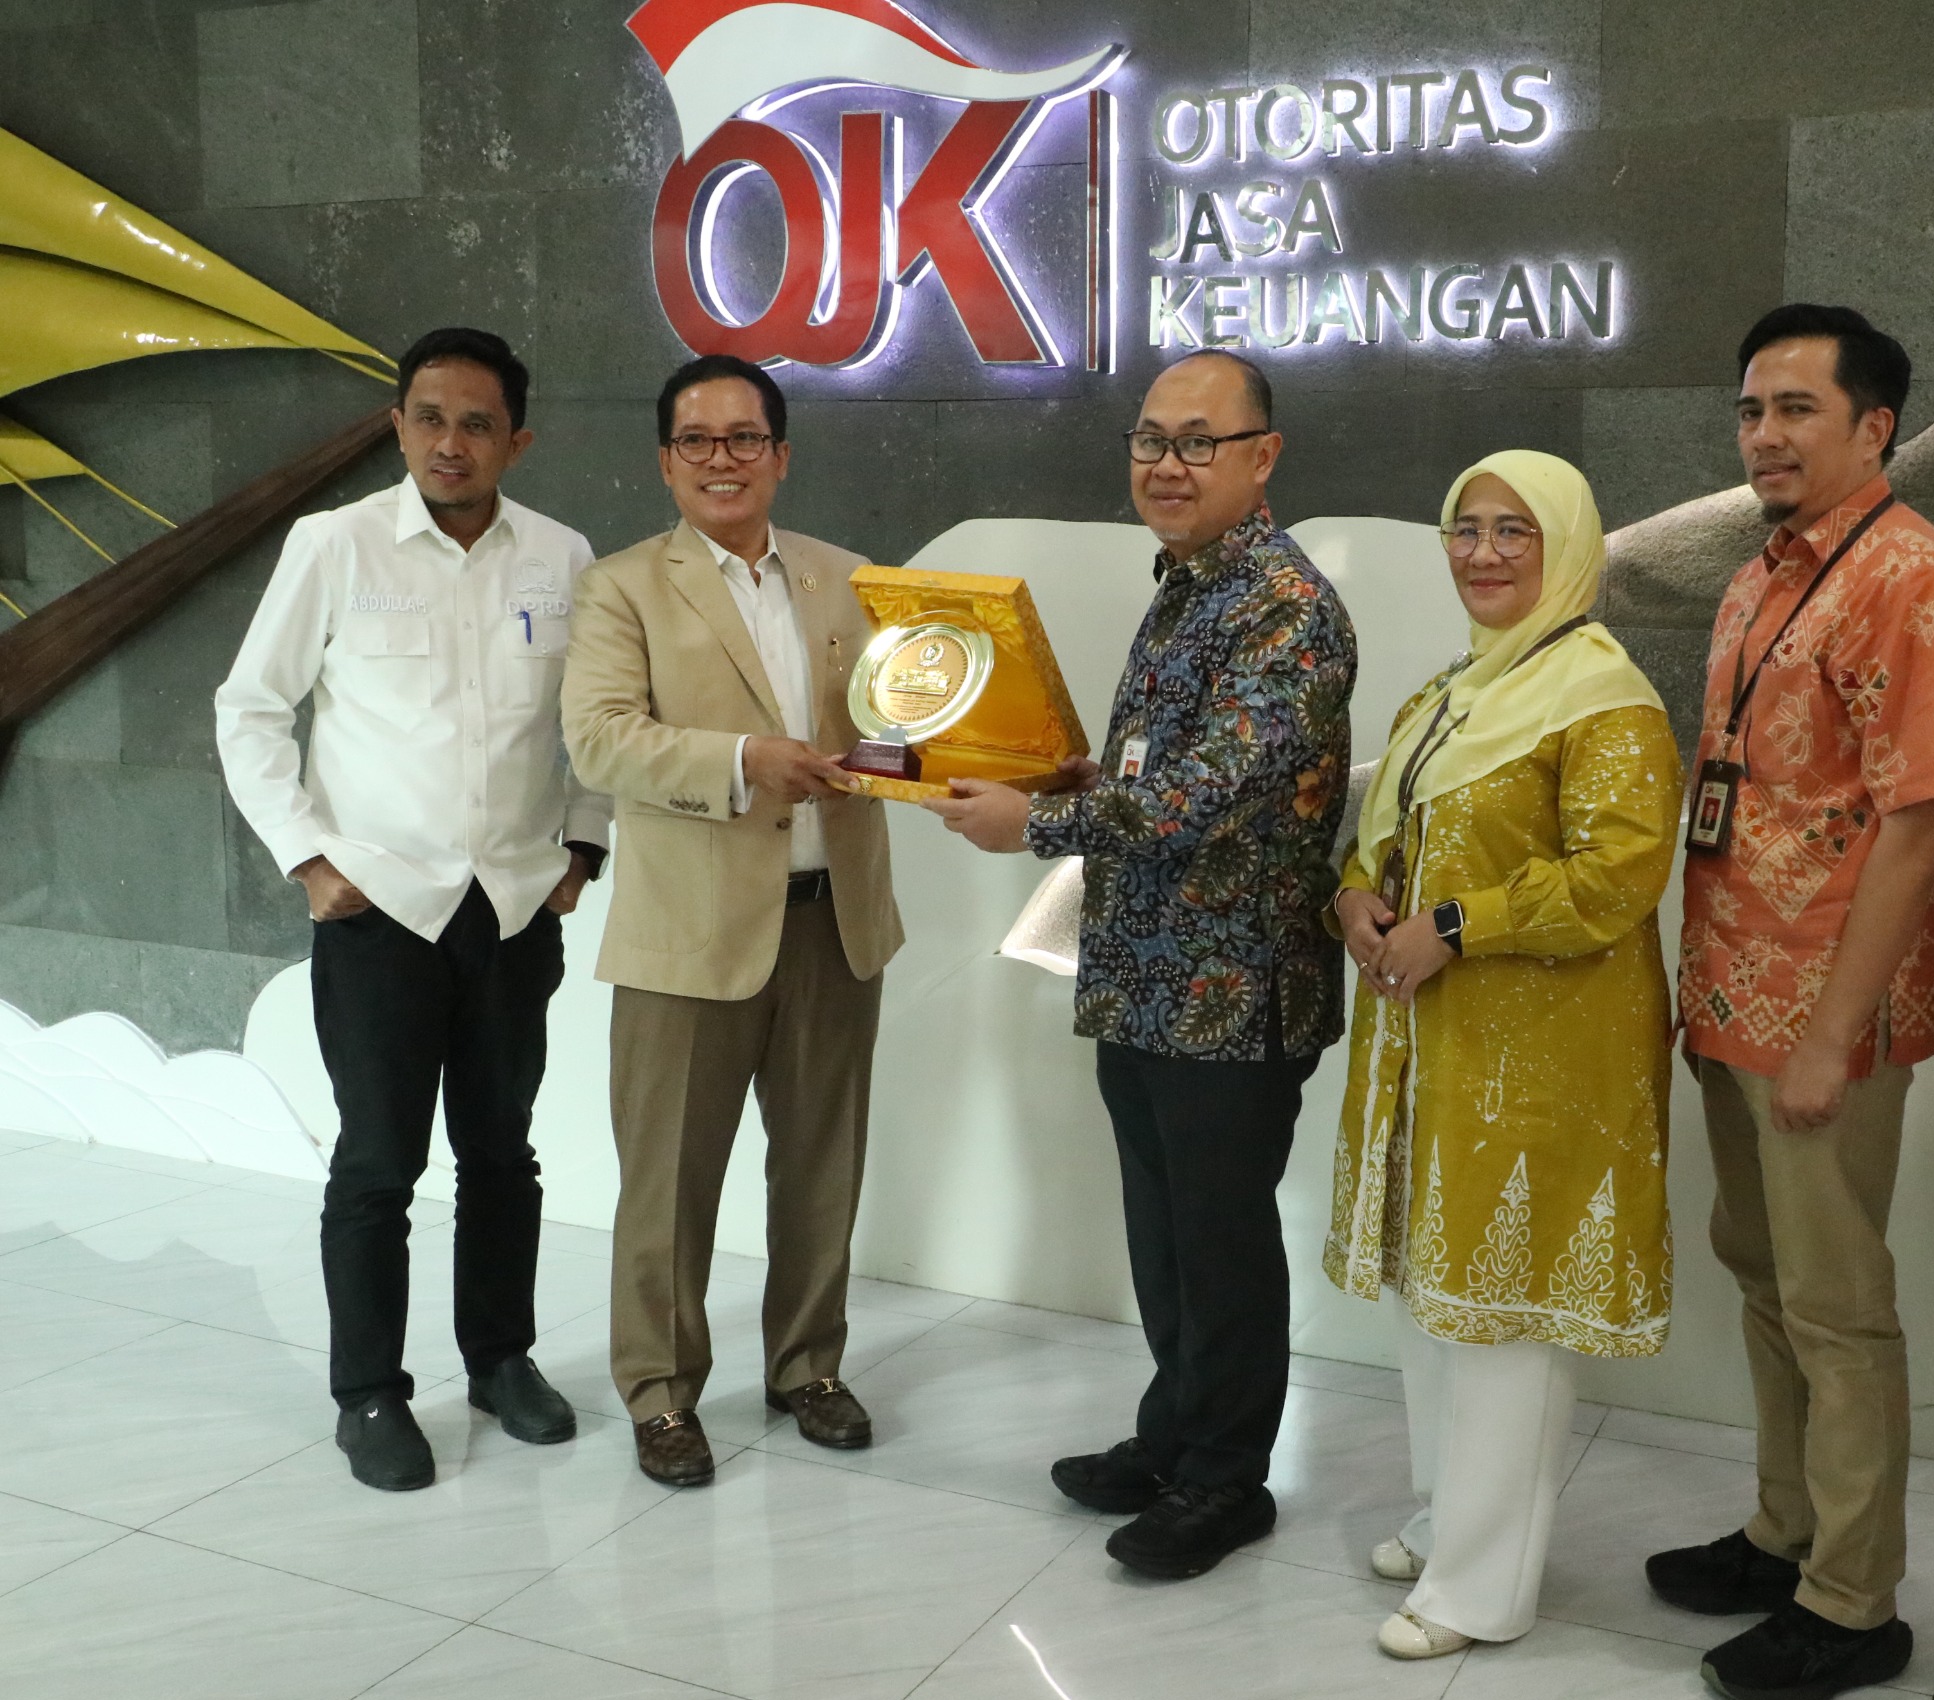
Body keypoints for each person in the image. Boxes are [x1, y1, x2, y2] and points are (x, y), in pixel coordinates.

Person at [923, 350, 1354, 1580]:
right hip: (1143, 971)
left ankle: (1225, 1477)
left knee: (1219, 1242)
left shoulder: (1283, 604)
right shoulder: (1185, 582)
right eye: (1151, 439)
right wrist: (1075, 775)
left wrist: (1038, 822)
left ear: (1262, 456)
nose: (1168, 464)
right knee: (1164, 1233)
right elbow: (1165, 771)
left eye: (1197, 441)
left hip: (1233, 985)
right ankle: (1173, 1433)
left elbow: (1203, 797)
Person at [1649, 304, 1934, 1700]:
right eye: (1751, 410)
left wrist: (1830, 1034)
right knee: (1763, 1273)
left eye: (1797, 408)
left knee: (1838, 1306)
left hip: (1821, 1021)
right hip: (1732, 994)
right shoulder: (1757, 577)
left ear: (1875, 426)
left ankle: (1852, 1601)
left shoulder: (1913, 576)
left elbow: (1920, 821)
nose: (1765, 434)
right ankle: (1784, 1528)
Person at [215, 327, 601, 1491]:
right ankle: (370, 1393)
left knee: (502, 1154)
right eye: (428, 417)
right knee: (378, 1162)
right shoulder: (333, 545)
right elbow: (250, 707)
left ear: (517, 441)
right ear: (397, 426)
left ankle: (500, 1360)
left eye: (477, 423)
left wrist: (583, 845)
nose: (449, 442)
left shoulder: (562, 555)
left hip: (514, 907)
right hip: (379, 908)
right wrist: (305, 858)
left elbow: (592, 719)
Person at [1327, 450, 1679, 1661]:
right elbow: (1382, 839)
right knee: (1435, 1299)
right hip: (1430, 1047)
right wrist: (1356, 897)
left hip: (1542, 1057)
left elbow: (1618, 873)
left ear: (1567, 546)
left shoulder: (1602, 693)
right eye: (1464, 527)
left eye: (1513, 530)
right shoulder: (1452, 692)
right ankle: (1448, 1522)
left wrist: (1455, 923)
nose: (1482, 552)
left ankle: (1481, 1588)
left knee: (1505, 1321)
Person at [560, 354, 903, 1488]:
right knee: (669, 1182)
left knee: (821, 1166)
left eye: (744, 437)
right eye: (697, 440)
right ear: (666, 462)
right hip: (688, 934)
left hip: (835, 922)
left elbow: (908, 718)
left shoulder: (852, 579)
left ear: (780, 455)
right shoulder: (621, 587)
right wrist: (745, 759)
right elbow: (600, 740)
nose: (722, 458)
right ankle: (660, 1392)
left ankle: (809, 1367)